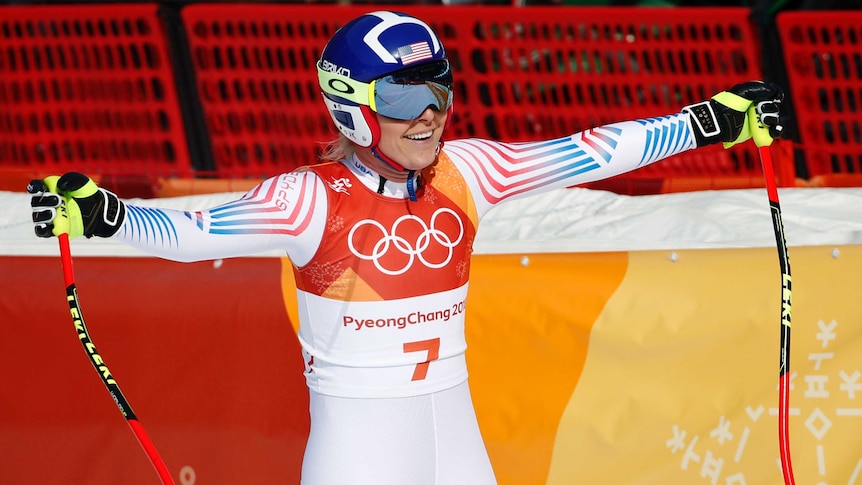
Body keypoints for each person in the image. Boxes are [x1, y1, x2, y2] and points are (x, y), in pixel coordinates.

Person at [28, 10, 784, 485]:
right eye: (400, 97)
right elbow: (189, 235)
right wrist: (102, 214)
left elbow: (589, 150)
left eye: (438, 91)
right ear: (350, 108)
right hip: (362, 453)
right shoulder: (308, 197)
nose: (427, 115)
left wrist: (708, 121)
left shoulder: (471, 172)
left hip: (457, 443)